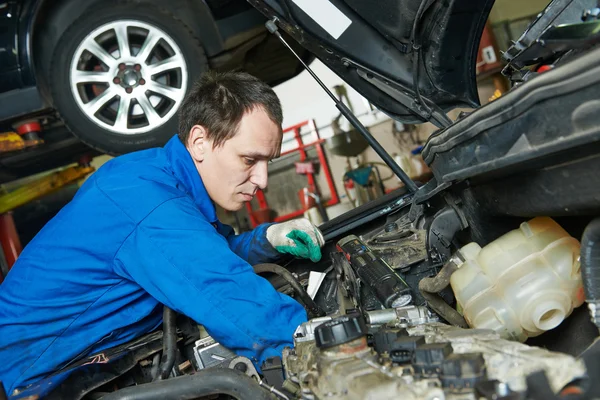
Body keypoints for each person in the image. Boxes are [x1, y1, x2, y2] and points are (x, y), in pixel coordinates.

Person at [0, 71, 324, 397]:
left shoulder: (161, 178)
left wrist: (266, 240)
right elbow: (224, 291)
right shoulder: (148, 201)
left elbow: (205, 256)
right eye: (250, 159)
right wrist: (315, 348)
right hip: (32, 374)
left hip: (83, 355)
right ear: (200, 142)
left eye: (268, 161)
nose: (263, 179)